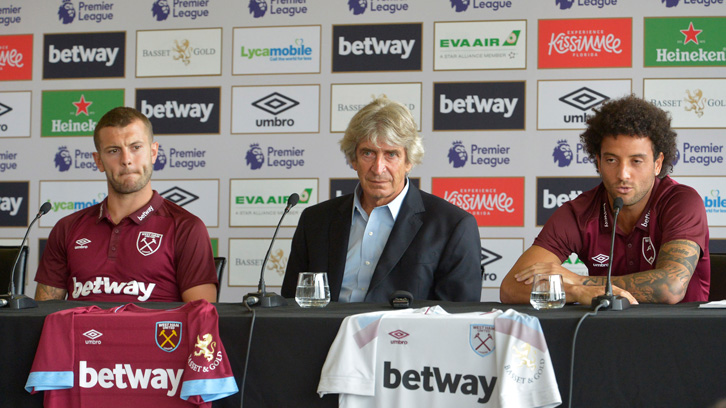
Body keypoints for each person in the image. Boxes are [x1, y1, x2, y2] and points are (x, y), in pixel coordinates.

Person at [500, 95, 709, 305]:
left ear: (657, 164)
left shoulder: (681, 202)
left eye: (636, 161)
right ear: (598, 162)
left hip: (682, 333)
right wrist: (575, 292)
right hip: (608, 332)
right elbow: (511, 287)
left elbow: (670, 288)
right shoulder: (580, 212)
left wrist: (580, 281)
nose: (623, 174)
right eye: (611, 160)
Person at [281, 97, 482, 302]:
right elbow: (291, 306)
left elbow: (457, 319)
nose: (378, 168)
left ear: (409, 161)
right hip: (326, 334)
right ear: (353, 160)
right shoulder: (315, 221)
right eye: (368, 153)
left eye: (391, 154)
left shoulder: (452, 226)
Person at [35, 107, 218, 303]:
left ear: (154, 152)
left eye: (136, 147)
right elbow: (44, 316)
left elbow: (201, 321)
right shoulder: (67, 228)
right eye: (114, 151)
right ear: (99, 161)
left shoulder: (186, 228)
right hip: (81, 334)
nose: (126, 160)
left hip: (153, 335)